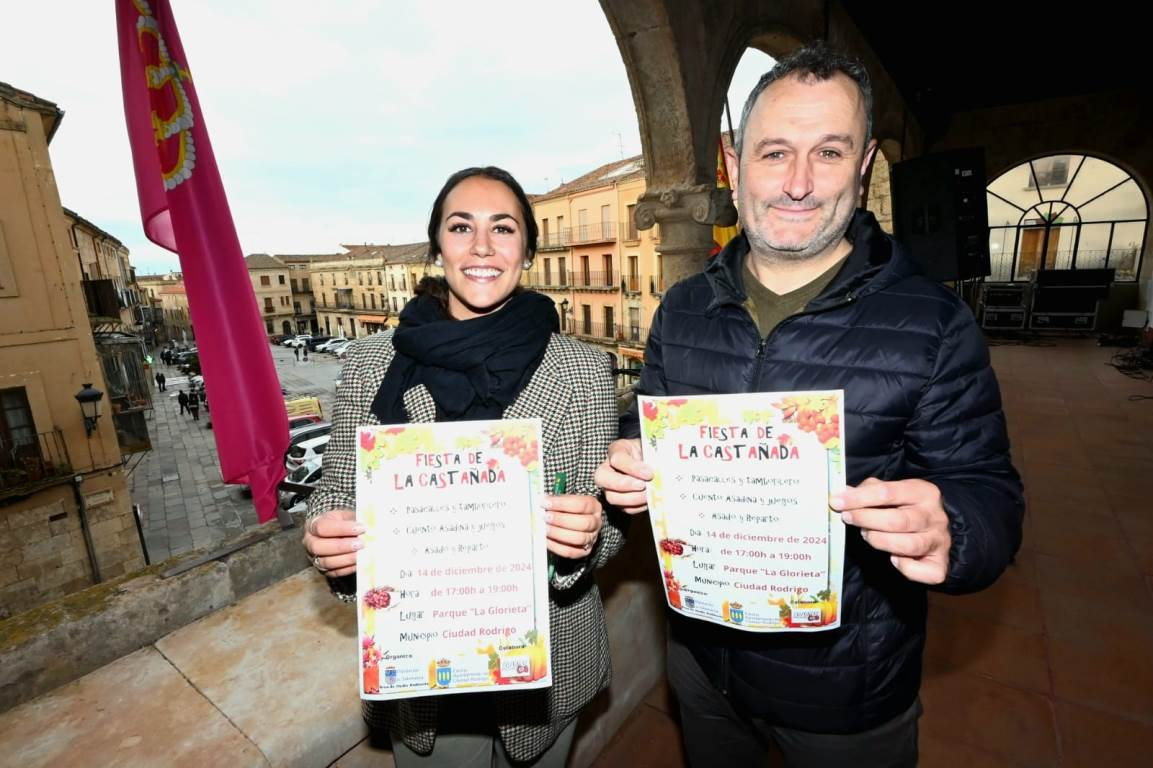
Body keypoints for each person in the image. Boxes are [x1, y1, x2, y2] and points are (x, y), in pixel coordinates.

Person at [595, 42, 1024, 768]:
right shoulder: (683, 308)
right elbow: (644, 426)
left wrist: (953, 527)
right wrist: (627, 460)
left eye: (827, 153)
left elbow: (990, 495)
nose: (797, 183)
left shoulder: (932, 326)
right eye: (773, 153)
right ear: (735, 167)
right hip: (701, 665)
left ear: (860, 169)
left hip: (847, 691)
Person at [304, 166, 625, 767]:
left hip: (550, 662)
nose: (481, 247)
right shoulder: (372, 364)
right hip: (419, 663)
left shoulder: (583, 370)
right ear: (437, 246)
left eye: (502, 228)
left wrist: (588, 534)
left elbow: (605, 525)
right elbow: (338, 486)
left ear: (527, 251)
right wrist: (326, 534)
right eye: (461, 227)